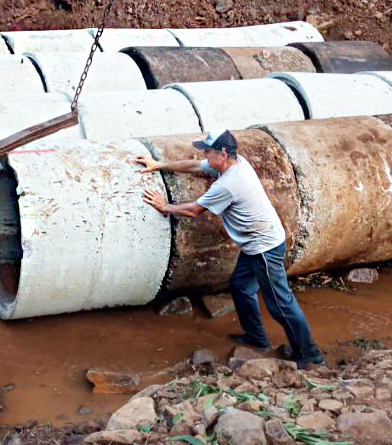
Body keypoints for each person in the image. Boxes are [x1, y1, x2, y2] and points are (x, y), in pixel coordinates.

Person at [135, 129, 326, 369]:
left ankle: (310, 356)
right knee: (241, 286)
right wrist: (159, 164)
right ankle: (256, 337)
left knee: (280, 304)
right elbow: (195, 166)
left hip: (263, 248)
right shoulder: (234, 163)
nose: (204, 154)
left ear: (223, 153)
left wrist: (165, 206)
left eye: (207, 150)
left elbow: (193, 210)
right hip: (256, 243)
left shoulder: (228, 184)